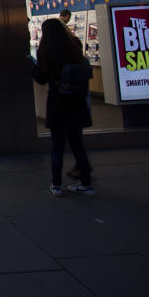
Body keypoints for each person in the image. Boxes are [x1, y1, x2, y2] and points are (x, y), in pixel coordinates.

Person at [32, 18, 95, 197]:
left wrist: (33, 66)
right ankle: (86, 184)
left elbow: (41, 78)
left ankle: (56, 185)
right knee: (78, 145)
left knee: (57, 147)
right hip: (77, 103)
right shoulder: (74, 48)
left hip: (58, 103)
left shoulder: (47, 52)